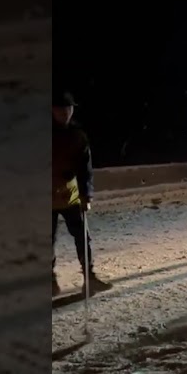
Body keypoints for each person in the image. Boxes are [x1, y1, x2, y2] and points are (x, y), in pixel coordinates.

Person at [51, 90, 111, 296]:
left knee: (82, 239)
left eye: (68, 109)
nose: (65, 113)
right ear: (52, 110)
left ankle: (90, 278)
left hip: (71, 196)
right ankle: (49, 280)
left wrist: (87, 195)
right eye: (61, 110)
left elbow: (85, 169)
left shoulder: (78, 135)